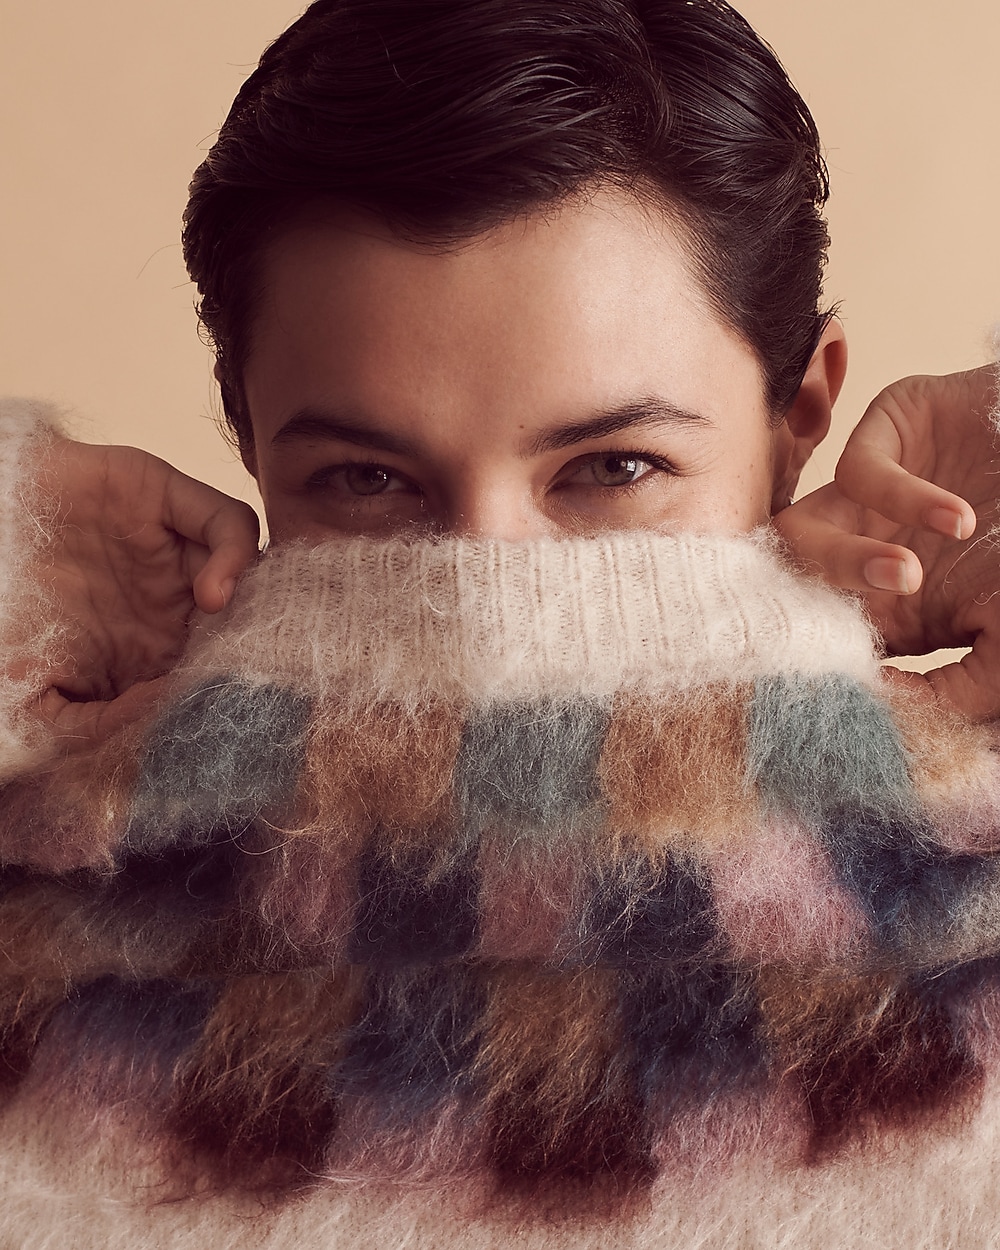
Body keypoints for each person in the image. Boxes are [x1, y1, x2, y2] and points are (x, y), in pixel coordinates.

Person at [17, 0, 998, 740]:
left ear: (800, 412)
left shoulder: (950, 854)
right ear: (246, 429)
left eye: (613, 467)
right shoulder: (100, 843)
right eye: (367, 479)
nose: (486, 613)